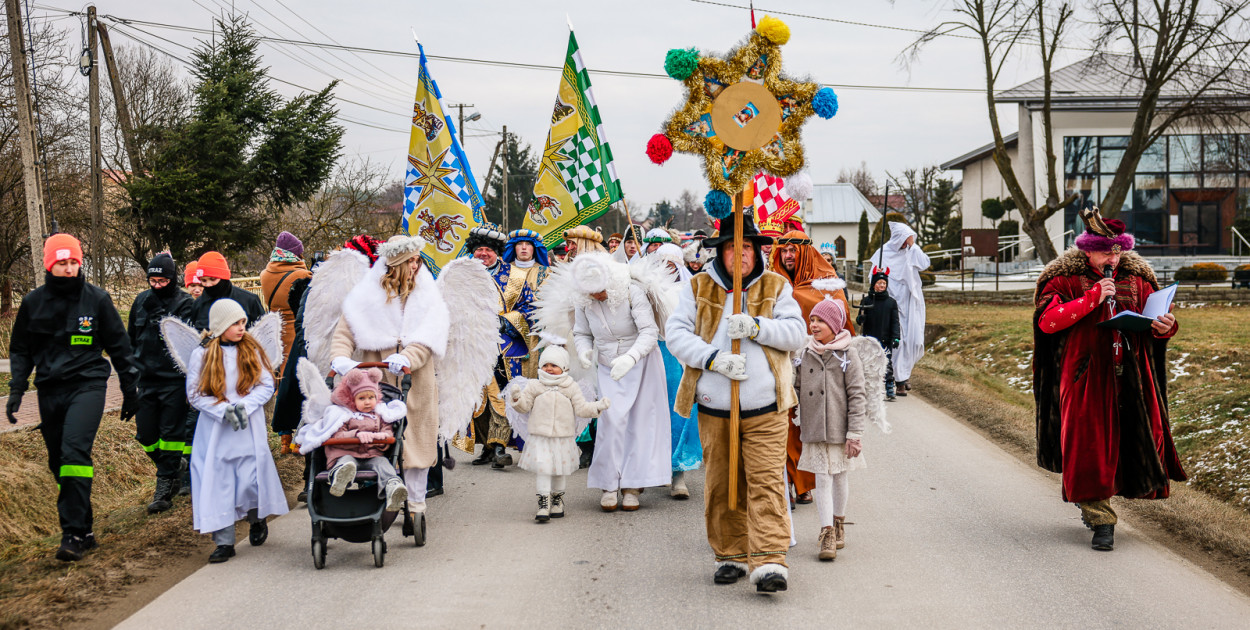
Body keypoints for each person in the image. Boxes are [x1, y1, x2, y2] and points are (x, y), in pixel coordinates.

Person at [666, 211, 807, 593]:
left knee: (765, 483)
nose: (740, 254)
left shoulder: (776, 286)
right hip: (716, 407)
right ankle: (729, 554)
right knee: (722, 485)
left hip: (766, 408)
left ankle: (768, 561)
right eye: (732, 247)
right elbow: (675, 333)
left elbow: (796, 333)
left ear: (756, 251)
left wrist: (758, 327)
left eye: (746, 247)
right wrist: (713, 358)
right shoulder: (697, 287)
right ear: (721, 252)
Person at [1033, 209, 1184, 552]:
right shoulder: (1065, 280)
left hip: (1133, 374)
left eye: (1118, 251)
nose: (1113, 258)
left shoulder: (1137, 279)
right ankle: (1101, 518)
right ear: (1087, 249)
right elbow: (1048, 323)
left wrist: (1166, 327)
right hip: (1085, 375)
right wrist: (1091, 298)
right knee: (1089, 447)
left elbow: (1156, 320)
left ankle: (1118, 493)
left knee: (1138, 438)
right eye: (1106, 251)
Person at [7, 234, 140, 561]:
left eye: (73, 263)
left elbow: (120, 347)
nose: (68, 269)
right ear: (49, 265)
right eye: (61, 263)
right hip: (50, 390)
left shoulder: (96, 300)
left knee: (73, 452)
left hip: (88, 385)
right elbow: (21, 350)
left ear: (80, 263)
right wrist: (16, 388)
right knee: (59, 463)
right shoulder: (32, 304)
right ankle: (86, 526)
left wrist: (129, 388)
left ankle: (73, 534)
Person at [330, 235, 447, 520]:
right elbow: (343, 334)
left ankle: (416, 504)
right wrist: (341, 359)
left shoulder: (427, 295)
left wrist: (408, 356)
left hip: (415, 383)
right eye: (411, 261)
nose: (417, 266)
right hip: (375, 381)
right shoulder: (365, 295)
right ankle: (383, 495)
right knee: (376, 439)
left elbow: (430, 336)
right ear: (395, 265)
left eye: (418, 261)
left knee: (416, 442)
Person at [184, 299, 287, 563]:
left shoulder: (251, 349)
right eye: (235, 323)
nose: (242, 328)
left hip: (247, 428)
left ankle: (256, 518)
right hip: (216, 431)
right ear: (220, 325)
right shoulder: (203, 354)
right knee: (218, 481)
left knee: (250, 478)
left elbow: (266, 385)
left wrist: (244, 406)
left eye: (243, 322)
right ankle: (224, 541)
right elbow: (194, 394)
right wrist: (223, 411)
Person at [570, 252, 671, 511]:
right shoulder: (584, 300)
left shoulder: (631, 292)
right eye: (592, 293)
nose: (597, 297)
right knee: (611, 422)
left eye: (601, 291)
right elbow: (581, 332)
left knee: (639, 423)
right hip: (608, 368)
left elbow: (650, 331)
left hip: (642, 363)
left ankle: (633, 485)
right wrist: (583, 351)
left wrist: (631, 357)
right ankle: (609, 484)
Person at [769, 230, 854, 506]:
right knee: (783, 427)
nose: (788, 256)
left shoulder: (827, 284)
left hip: (816, 369)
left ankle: (803, 483)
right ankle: (785, 483)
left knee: (807, 428)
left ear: (804, 252)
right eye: (783, 250)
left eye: (793, 250)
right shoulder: (771, 282)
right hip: (779, 365)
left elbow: (842, 327)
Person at [794, 299, 866, 561]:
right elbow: (798, 387)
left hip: (839, 428)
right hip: (814, 427)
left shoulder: (848, 354)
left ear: (834, 325)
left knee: (839, 476)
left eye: (820, 321)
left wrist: (854, 433)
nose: (814, 325)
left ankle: (838, 523)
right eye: (812, 320)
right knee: (821, 478)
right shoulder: (805, 352)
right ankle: (826, 533)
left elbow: (857, 395)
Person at [128, 252, 196, 513]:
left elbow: (189, 345)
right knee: (146, 436)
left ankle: (163, 490)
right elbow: (131, 338)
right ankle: (174, 466)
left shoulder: (184, 304)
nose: (156, 286)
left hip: (174, 382)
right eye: (152, 280)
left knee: (171, 436)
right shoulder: (141, 301)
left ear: (173, 278)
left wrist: (162, 321)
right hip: (146, 381)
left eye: (162, 281)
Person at [510, 346, 610, 522]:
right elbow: (524, 407)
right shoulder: (535, 386)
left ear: (564, 368)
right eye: (545, 364)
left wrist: (597, 407)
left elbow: (581, 408)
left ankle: (557, 500)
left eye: (554, 365)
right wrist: (517, 399)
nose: (549, 368)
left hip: (562, 439)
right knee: (543, 470)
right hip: (540, 438)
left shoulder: (571, 387)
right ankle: (543, 502)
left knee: (558, 471)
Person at [295, 367, 408, 510]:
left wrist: (383, 436)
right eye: (362, 398)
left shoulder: (380, 415)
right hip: (347, 454)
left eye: (371, 398)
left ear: (376, 398)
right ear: (352, 399)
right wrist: (356, 434)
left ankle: (393, 486)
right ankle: (341, 476)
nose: (367, 402)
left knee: (383, 464)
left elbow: (388, 432)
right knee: (347, 462)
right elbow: (337, 435)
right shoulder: (344, 415)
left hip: (372, 455)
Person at [464, 225, 522, 469]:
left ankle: (499, 447)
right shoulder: (463, 275)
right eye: (479, 249)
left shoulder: (514, 278)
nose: (483, 254)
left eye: (488, 249)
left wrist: (505, 321)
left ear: (497, 252)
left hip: (504, 348)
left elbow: (529, 308)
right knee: (477, 396)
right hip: (471, 344)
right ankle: (487, 447)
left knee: (500, 395)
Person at [650, 244, 703, 499]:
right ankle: (648, 470)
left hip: (678, 357)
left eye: (672, 263)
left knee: (678, 411)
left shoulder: (690, 290)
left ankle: (678, 473)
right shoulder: (646, 288)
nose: (667, 268)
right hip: (651, 352)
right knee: (651, 413)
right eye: (663, 263)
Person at [867, 222, 929, 394]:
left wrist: (912, 244)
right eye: (903, 240)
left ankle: (903, 374)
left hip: (910, 303)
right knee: (896, 341)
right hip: (891, 304)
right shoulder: (883, 253)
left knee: (912, 341)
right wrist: (878, 274)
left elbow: (924, 264)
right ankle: (899, 379)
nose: (904, 244)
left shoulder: (911, 252)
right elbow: (872, 279)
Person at [260, 231, 311, 372]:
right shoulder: (302, 275)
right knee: (295, 372)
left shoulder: (264, 274)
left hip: (275, 329)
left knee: (279, 370)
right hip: (295, 331)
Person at [502, 228, 550, 378]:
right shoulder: (504, 271)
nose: (523, 248)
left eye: (528, 244)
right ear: (513, 248)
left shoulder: (545, 272)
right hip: (509, 331)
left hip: (536, 332)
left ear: (534, 248)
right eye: (520, 244)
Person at [856, 268, 901, 401]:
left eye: (884, 283)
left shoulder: (891, 303)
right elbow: (859, 319)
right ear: (874, 284)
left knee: (886, 363)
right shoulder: (866, 301)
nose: (882, 286)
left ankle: (888, 387)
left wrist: (896, 337)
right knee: (868, 364)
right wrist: (861, 319)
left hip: (885, 338)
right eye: (879, 283)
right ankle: (867, 389)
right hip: (869, 339)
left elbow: (895, 322)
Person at [191, 251, 266, 331]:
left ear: (223, 277)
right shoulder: (198, 305)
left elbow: (264, 331)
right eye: (203, 280)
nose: (208, 284)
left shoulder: (249, 300)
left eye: (213, 279)